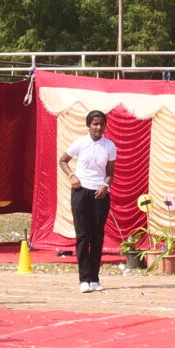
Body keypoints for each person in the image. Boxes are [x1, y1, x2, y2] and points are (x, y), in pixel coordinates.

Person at [64, 111, 119, 292]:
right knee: (83, 235)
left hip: (100, 194)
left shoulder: (109, 146)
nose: (98, 127)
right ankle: (84, 279)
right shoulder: (80, 143)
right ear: (89, 125)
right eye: (95, 124)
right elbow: (63, 161)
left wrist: (105, 185)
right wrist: (72, 176)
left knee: (97, 236)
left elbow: (110, 172)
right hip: (81, 191)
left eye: (102, 124)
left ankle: (94, 278)